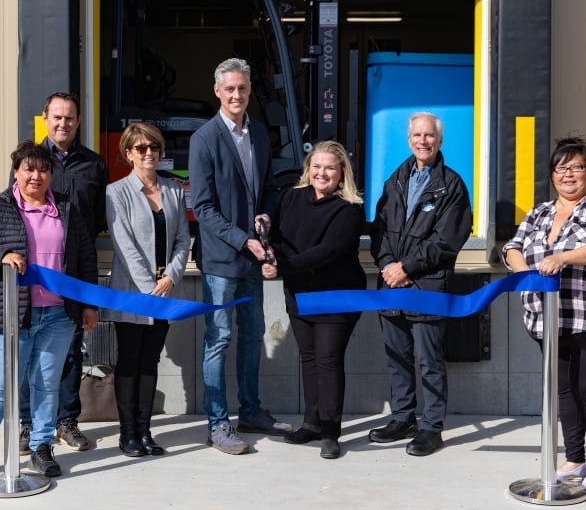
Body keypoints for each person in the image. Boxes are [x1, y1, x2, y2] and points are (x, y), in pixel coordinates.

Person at [0, 142, 98, 482]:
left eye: (43, 170)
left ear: (51, 174)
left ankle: (40, 447)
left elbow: (85, 258)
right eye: (29, 169)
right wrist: (1, 255)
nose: (36, 176)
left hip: (58, 315)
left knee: (47, 385)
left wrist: (88, 304)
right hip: (12, 316)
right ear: (17, 172)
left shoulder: (66, 208)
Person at [503, 135, 586, 492]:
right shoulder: (539, 212)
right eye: (562, 168)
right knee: (563, 390)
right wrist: (522, 269)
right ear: (552, 175)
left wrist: (562, 258)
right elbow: (512, 246)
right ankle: (574, 458)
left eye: (577, 167)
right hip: (548, 318)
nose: (569, 174)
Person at [188, 57, 291, 455]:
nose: (236, 95)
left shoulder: (260, 133)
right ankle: (217, 423)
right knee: (220, 339)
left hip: (252, 256)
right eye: (229, 89)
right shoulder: (204, 139)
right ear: (217, 91)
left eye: (242, 89)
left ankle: (250, 411)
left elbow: (266, 188)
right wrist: (242, 239)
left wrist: (266, 213)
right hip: (220, 260)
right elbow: (204, 207)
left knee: (252, 335)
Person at [368, 111, 472, 457]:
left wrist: (407, 268)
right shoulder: (395, 180)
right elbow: (379, 229)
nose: (423, 141)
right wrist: (386, 266)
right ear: (408, 139)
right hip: (391, 285)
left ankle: (430, 427)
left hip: (426, 286)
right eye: (417, 136)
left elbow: (446, 241)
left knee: (429, 360)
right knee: (397, 356)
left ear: (439, 141)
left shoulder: (452, 185)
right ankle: (402, 418)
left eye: (429, 136)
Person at [261, 141, 366, 459]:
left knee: (328, 360)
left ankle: (331, 432)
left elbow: (329, 250)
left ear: (341, 173)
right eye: (317, 166)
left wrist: (283, 266)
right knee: (308, 358)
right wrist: (268, 250)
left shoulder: (350, 207)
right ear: (308, 168)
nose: (322, 173)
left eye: (330, 167)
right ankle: (312, 422)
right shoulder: (291, 197)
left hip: (338, 295)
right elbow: (278, 238)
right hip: (299, 292)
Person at [18, 92, 107, 455]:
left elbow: (98, 218)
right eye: (56, 117)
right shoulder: (29, 160)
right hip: (35, 272)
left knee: (71, 351)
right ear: (45, 118)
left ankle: (66, 421)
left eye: (69, 118)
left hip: (72, 273)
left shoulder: (94, 165)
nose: (62, 124)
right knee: (29, 353)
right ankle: (27, 424)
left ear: (78, 120)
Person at [103, 122, 190, 457]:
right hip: (132, 293)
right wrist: (149, 289)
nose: (149, 153)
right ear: (129, 154)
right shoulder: (117, 191)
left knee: (150, 361)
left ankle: (145, 431)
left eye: (154, 147)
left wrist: (170, 277)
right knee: (130, 361)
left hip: (164, 292)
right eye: (141, 148)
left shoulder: (173, 190)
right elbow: (123, 244)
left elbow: (183, 239)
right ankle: (128, 434)